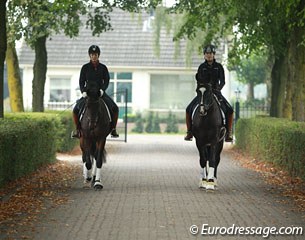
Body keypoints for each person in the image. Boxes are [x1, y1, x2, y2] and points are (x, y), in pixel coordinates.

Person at [184, 44, 234, 142]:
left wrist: (218, 89)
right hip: (204, 93)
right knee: (188, 109)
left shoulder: (219, 67)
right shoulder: (201, 67)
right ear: (204, 55)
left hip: (216, 92)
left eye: (211, 53)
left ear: (214, 54)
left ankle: (228, 133)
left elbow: (223, 81)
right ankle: (189, 132)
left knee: (230, 110)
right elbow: (199, 81)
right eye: (207, 53)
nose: (209, 55)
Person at [71, 45, 119, 138]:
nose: (94, 56)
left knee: (115, 108)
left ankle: (113, 129)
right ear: (89, 55)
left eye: (96, 54)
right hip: (88, 94)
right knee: (75, 109)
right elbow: (81, 81)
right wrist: (83, 91)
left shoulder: (103, 67)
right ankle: (77, 129)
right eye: (92, 54)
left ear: (98, 55)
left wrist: (102, 90)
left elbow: (107, 80)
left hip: (100, 94)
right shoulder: (85, 67)